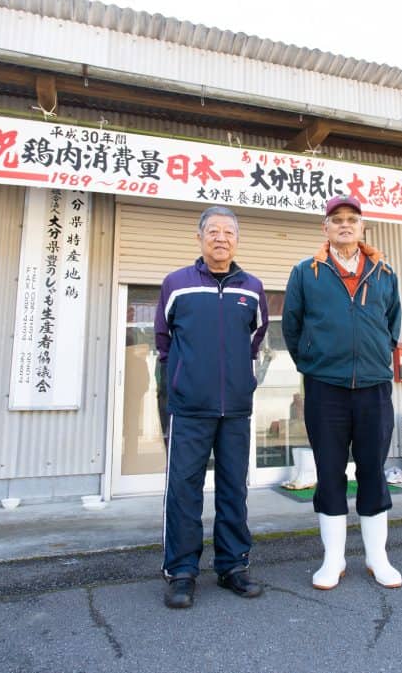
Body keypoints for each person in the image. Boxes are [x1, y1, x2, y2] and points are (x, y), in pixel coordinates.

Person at [282, 194, 402, 590]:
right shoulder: (306, 272)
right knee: (329, 470)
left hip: (373, 387)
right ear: (326, 228)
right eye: (337, 219)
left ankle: (376, 557)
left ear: (362, 226)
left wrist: (375, 356)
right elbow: (292, 327)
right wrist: (313, 363)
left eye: (352, 218)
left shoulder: (384, 272)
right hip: (325, 388)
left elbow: (392, 324)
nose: (345, 225)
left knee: (373, 471)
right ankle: (333, 559)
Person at [154, 205, 269, 609]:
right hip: (189, 407)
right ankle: (181, 572)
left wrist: (240, 377)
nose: (221, 238)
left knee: (234, 487)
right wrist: (181, 380)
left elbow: (255, 338)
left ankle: (233, 565)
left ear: (237, 239)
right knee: (183, 489)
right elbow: (164, 341)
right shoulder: (177, 284)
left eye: (229, 232)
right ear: (200, 237)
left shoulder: (251, 288)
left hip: (235, 407)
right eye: (213, 231)